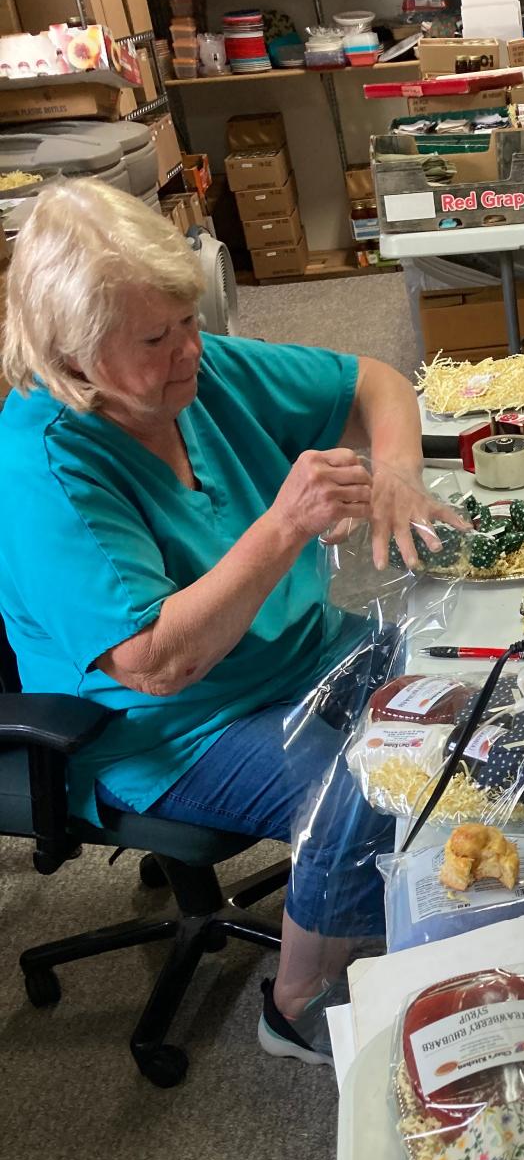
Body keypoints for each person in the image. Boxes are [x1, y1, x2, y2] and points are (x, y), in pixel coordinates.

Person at [0, 179, 468, 1064]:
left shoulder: (195, 367)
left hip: (295, 654)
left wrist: (398, 469)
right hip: (167, 726)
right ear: (74, 352)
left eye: (185, 322)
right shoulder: (43, 468)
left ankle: (398, 908)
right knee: (379, 774)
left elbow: (373, 380)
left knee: (475, 685)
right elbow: (155, 663)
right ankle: (294, 1002)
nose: (188, 352)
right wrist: (284, 524)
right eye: (155, 338)